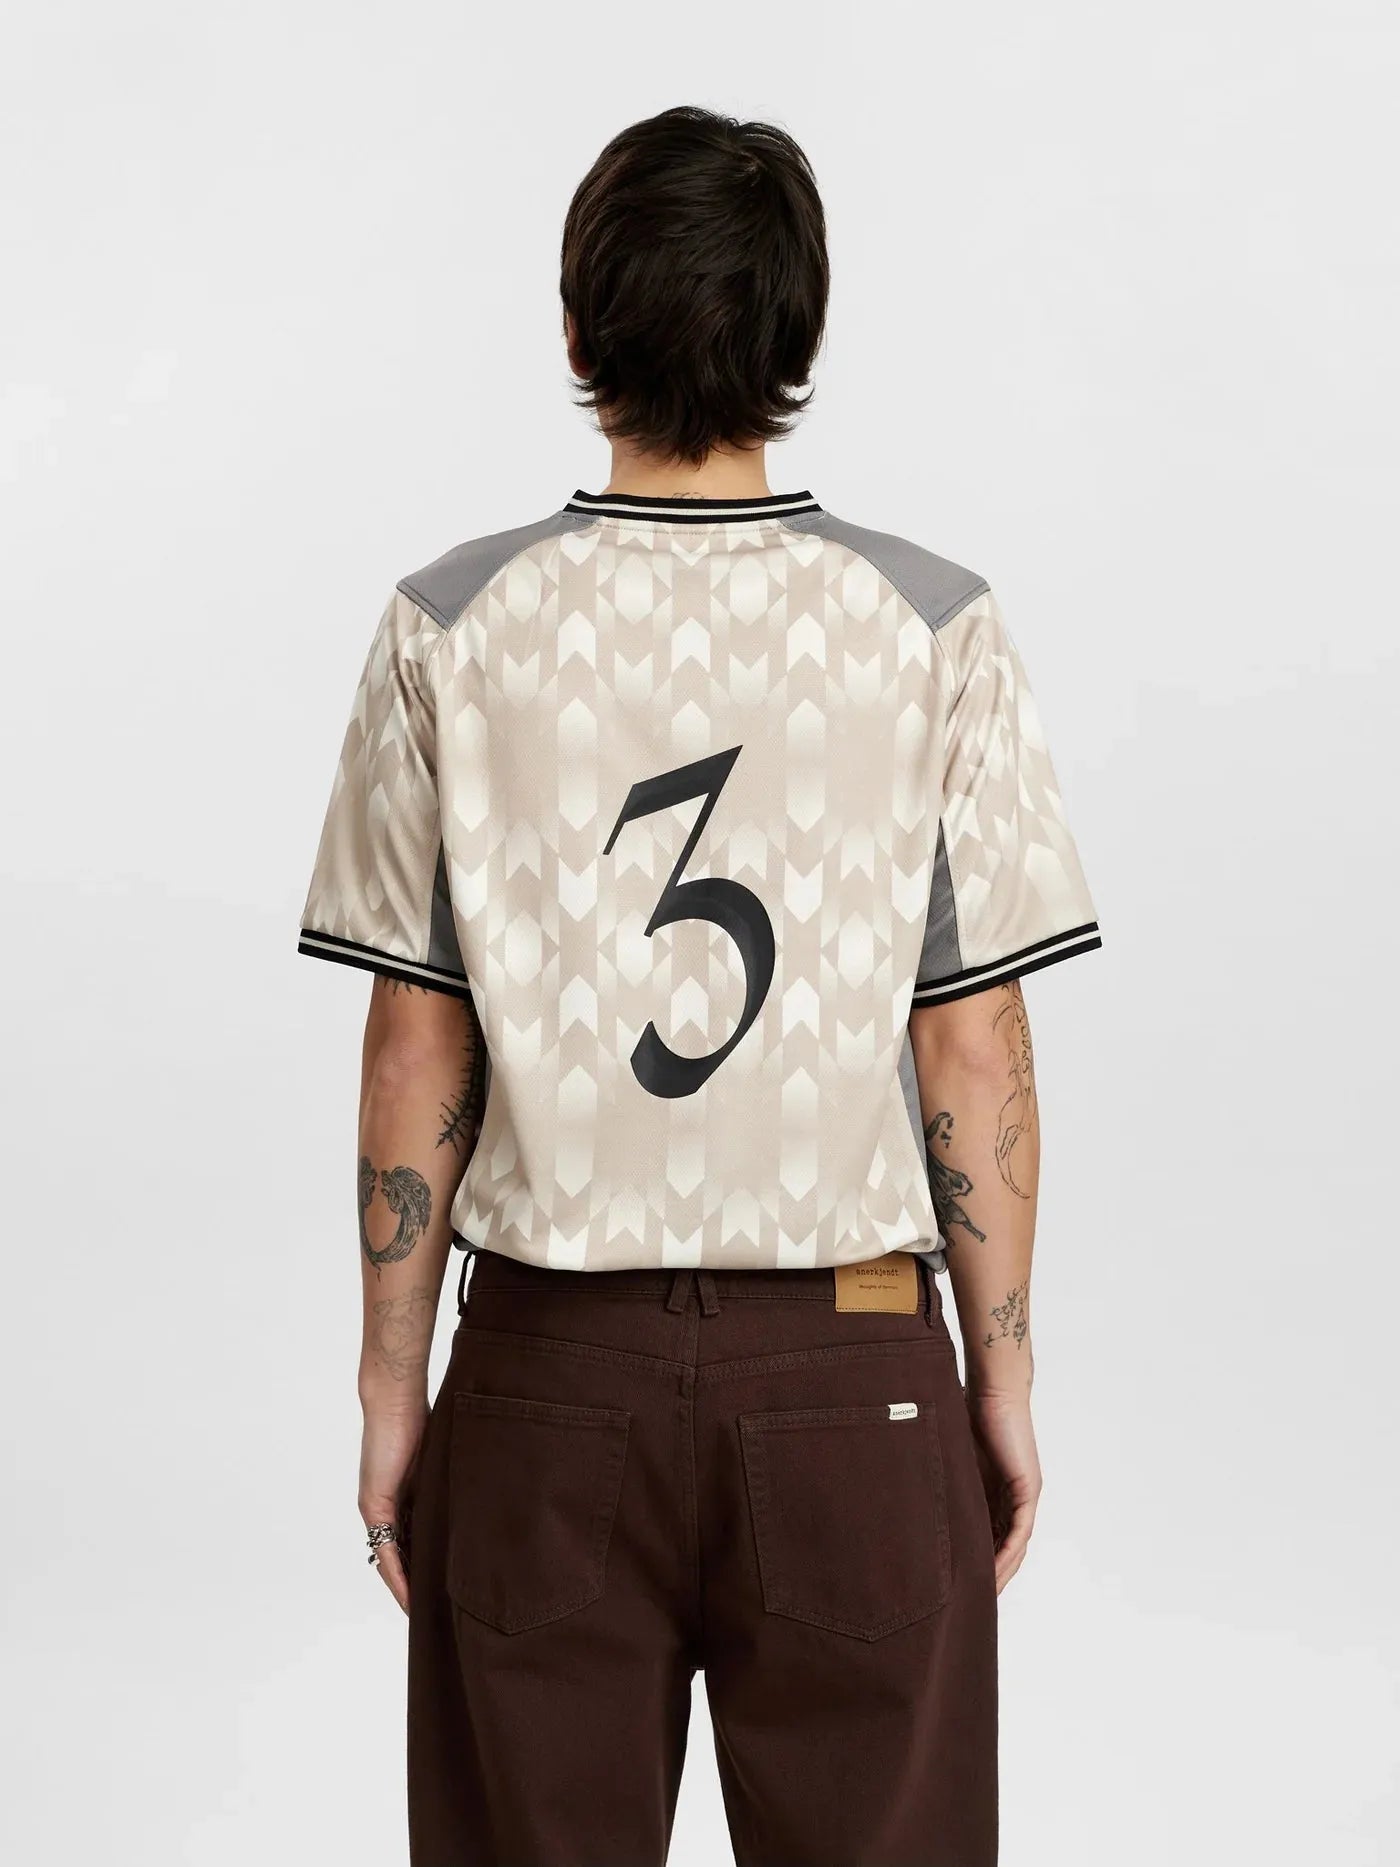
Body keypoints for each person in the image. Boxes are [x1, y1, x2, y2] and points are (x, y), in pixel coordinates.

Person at [296, 104, 1101, 1867]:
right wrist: (1005, 1373)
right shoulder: (934, 627)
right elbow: (973, 1041)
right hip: (857, 1371)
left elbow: (414, 1041)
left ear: (574, 325)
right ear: (802, 334)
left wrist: (389, 1387)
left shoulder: (451, 626)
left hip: (542, 1378)